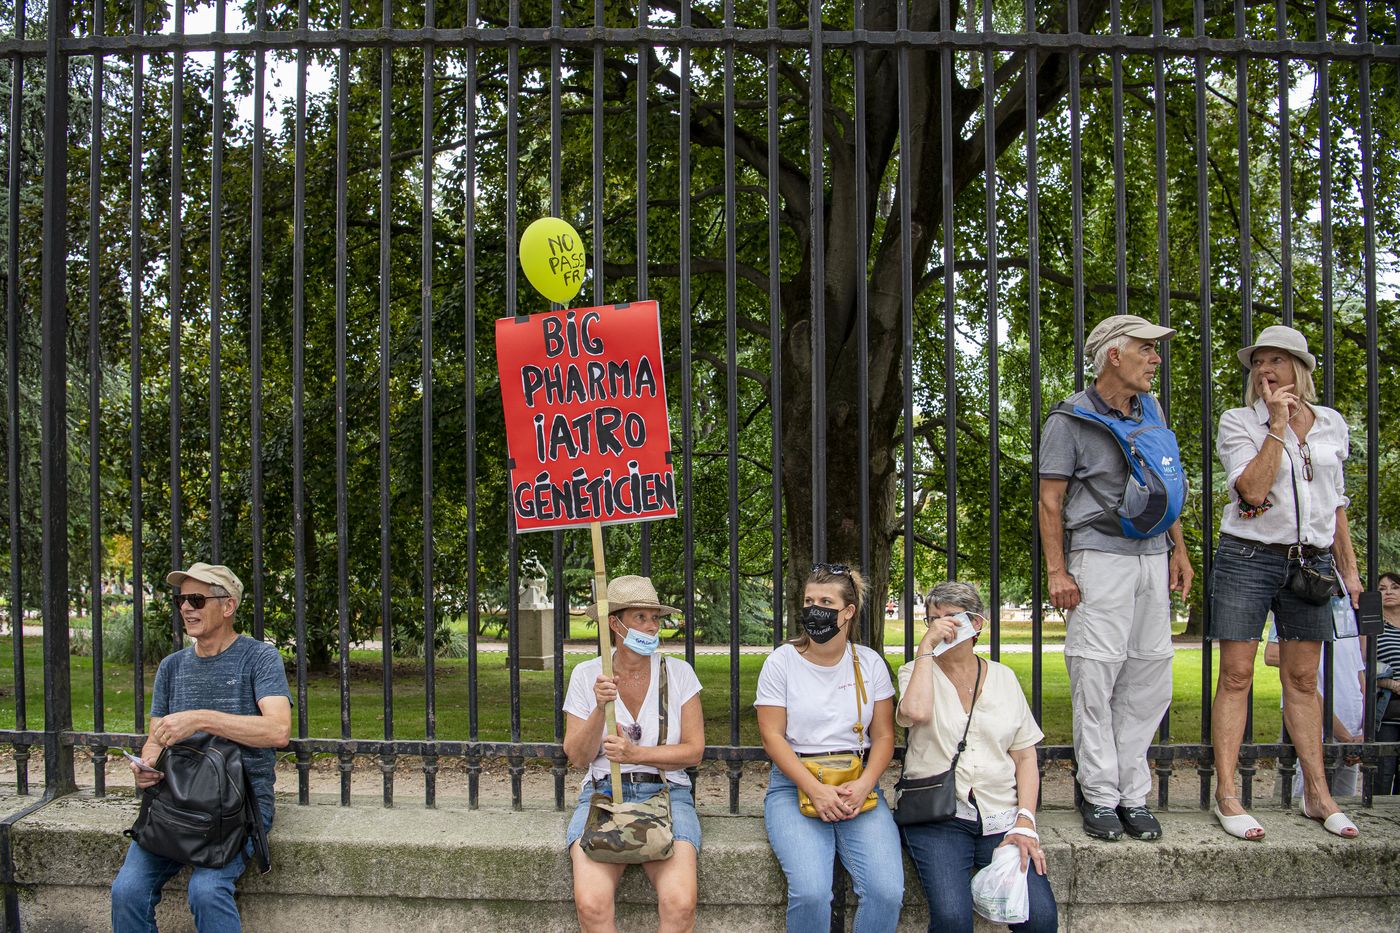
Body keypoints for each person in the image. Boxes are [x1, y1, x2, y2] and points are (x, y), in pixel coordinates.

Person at [1037, 314, 1194, 841]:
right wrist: (1057, 570)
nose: (1155, 359)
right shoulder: (1069, 419)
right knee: (1096, 675)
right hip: (1099, 557)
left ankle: (1132, 792)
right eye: (1146, 349)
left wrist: (1178, 550)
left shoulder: (1151, 409)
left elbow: (1164, 482)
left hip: (1152, 556)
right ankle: (1100, 794)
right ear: (1113, 355)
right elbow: (1050, 501)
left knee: (1149, 675)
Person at [1209, 324, 1364, 840]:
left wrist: (1349, 568)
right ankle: (1227, 794)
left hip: (1311, 563)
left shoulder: (1331, 423)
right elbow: (1252, 492)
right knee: (1236, 675)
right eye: (1257, 362)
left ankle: (1318, 794)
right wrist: (1276, 426)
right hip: (1248, 557)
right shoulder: (1239, 421)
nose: (1263, 370)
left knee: (1302, 679)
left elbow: (1335, 502)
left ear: (1298, 367)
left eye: (1274, 360)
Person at [111, 563, 292, 933]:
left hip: (237, 806)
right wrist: (146, 766)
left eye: (196, 599)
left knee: (206, 890)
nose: (185, 608)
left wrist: (201, 719)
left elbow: (278, 731)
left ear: (228, 606)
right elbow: (155, 738)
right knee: (127, 891)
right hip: (175, 803)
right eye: (181, 600)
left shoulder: (260, 658)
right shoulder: (172, 667)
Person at [897, 582, 1056, 933]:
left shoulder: (1004, 678)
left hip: (1000, 818)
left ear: (977, 623)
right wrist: (925, 647)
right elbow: (915, 712)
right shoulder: (915, 671)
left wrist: (1025, 820)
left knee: (1040, 920)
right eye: (932, 619)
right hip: (938, 817)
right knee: (953, 921)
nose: (941, 625)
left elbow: (1025, 757)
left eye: (951, 617)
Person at [755, 563, 903, 933]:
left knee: (886, 892)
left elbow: (885, 736)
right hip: (795, 784)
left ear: (848, 611)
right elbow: (772, 736)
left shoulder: (869, 663)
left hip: (857, 783)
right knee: (811, 892)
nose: (814, 609)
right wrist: (815, 789)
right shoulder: (781, 662)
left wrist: (865, 784)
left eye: (825, 602)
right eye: (809, 601)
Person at [562, 575, 705, 933]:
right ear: (615, 624)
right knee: (592, 904)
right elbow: (577, 756)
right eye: (640, 617)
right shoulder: (587, 675)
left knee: (680, 903)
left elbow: (694, 751)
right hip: (604, 793)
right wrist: (600, 708)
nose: (652, 626)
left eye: (655, 618)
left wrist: (635, 753)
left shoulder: (679, 673)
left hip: (668, 793)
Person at [1264, 621, 1365, 803]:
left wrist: (1364, 731)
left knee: (1344, 802)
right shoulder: (1298, 612)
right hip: (1316, 725)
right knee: (1302, 798)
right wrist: (1344, 736)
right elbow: (1272, 655)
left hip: (1352, 726)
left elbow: (1359, 671)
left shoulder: (1348, 614)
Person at [1374, 571, 1400, 794]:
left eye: (1395, 587)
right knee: (1382, 773)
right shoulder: (1374, 627)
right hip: (1387, 708)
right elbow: (1363, 666)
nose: (1388, 592)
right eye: (1382, 589)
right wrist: (1391, 684)